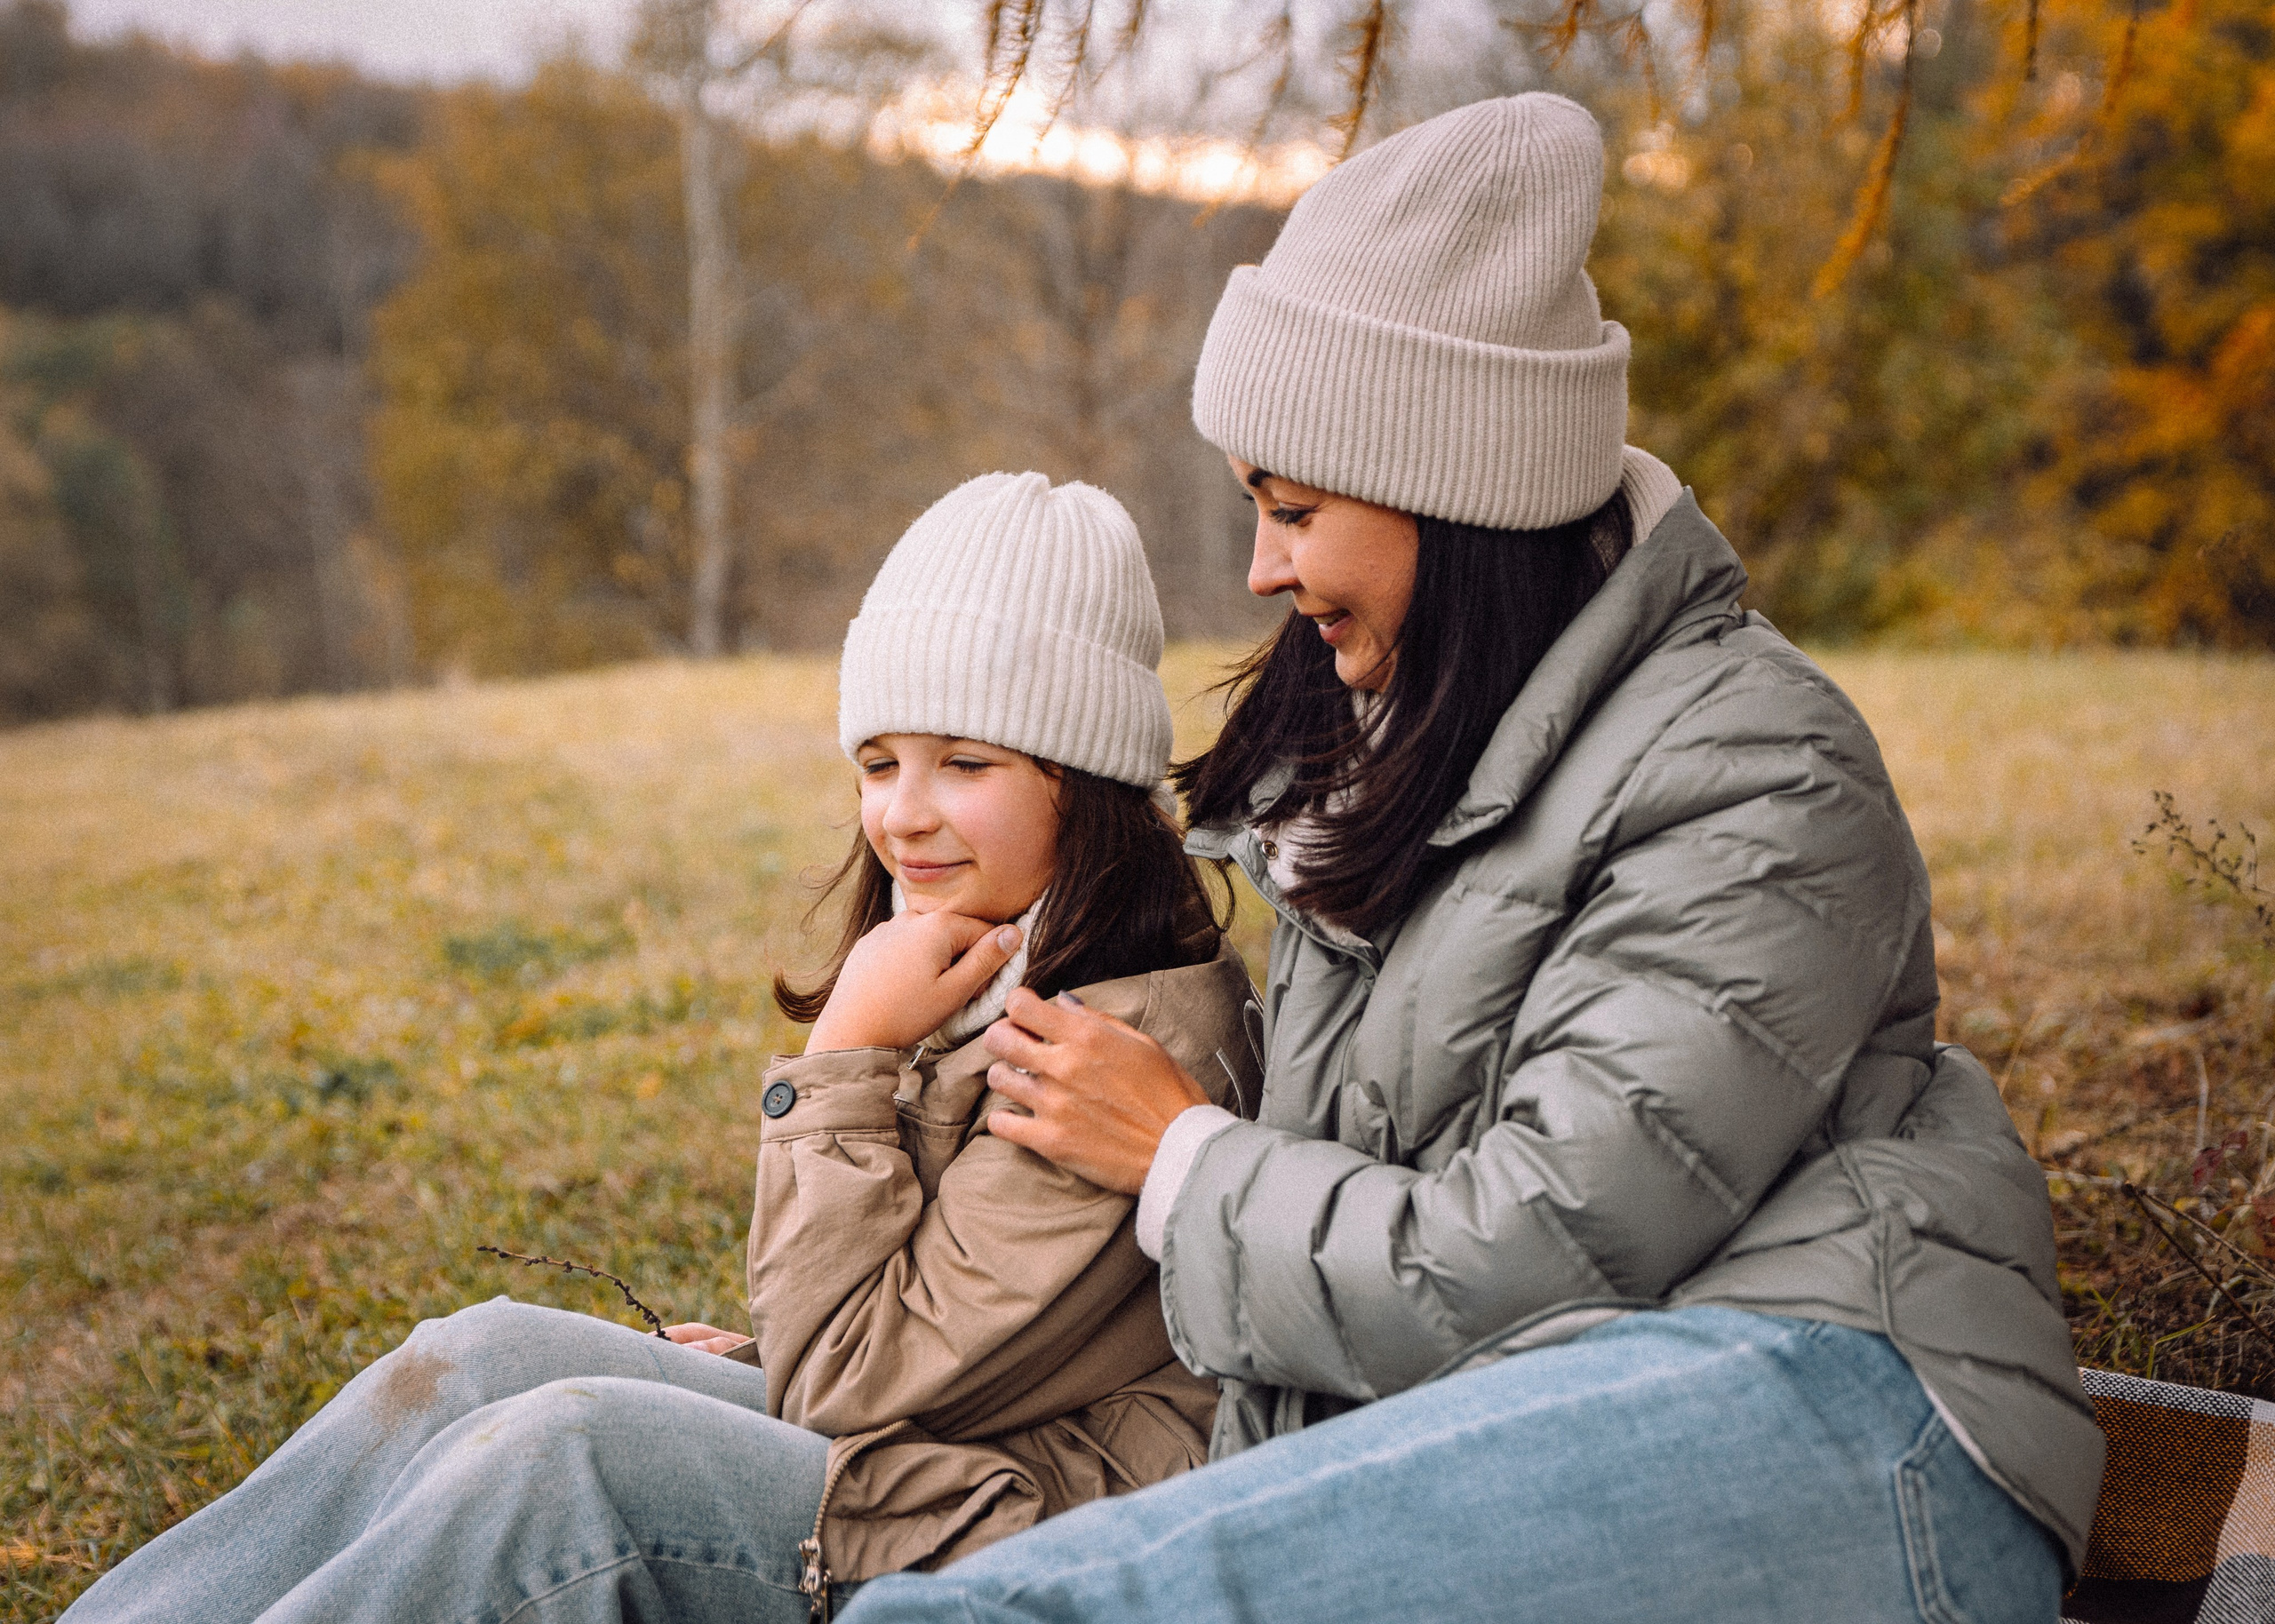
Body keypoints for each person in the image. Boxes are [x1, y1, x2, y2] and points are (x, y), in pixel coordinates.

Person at [837, 95, 2107, 1624]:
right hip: (1523, 1400)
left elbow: (1537, 1247)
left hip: (1838, 1413)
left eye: (1296, 510)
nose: (1264, 567)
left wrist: (1180, 1156)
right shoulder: (1395, 751)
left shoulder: (1758, 769)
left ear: (1460, 495)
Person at [58, 472, 1264, 1624]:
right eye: (879, 763)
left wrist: (843, 1054)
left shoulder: (1109, 1044)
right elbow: (937, 1331)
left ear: (1084, 782)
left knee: (569, 1461)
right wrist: (754, 1357)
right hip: (947, 1441)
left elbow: (845, 1386)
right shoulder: (979, 969)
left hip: (1022, 1525)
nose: (902, 814)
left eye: (965, 763)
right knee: (481, 1356)